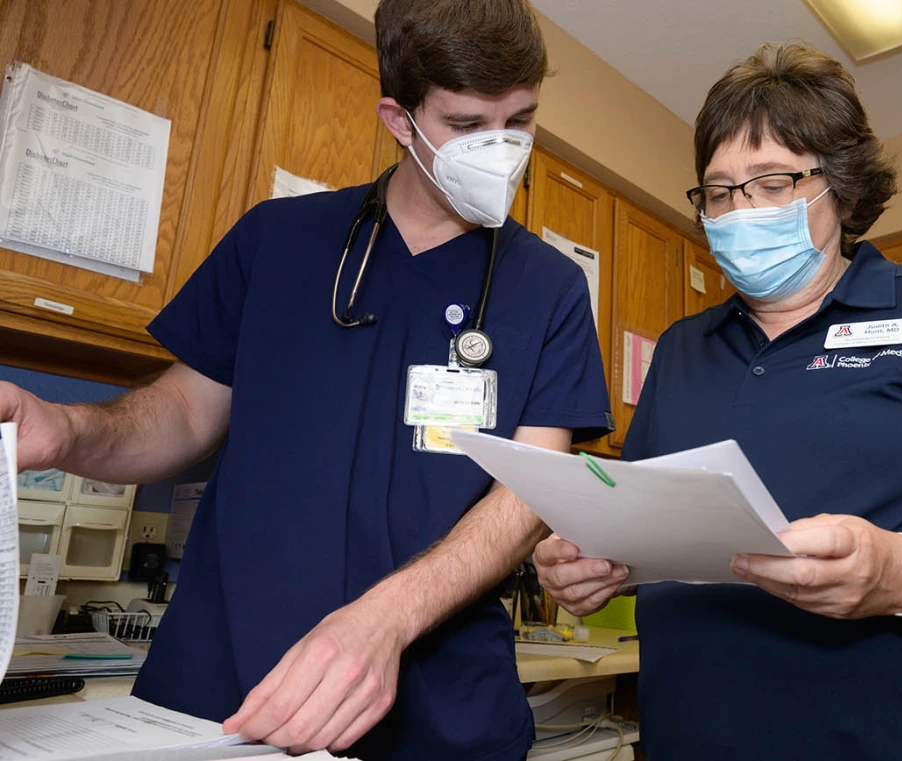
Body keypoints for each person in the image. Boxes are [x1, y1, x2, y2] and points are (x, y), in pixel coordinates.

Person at [0, 1, 612, 759]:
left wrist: (385, 617)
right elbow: (183, 414)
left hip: (439, 709)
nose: (501, 149)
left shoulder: (548, 288)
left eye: (519, 121)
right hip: (226, 689)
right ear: (399, 118)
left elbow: (530, 493)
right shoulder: (276, 242)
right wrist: (67, 430)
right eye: (465, 125)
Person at [534, 43, 902, 761]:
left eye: (772, 182)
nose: (741, 211)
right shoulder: (681, 349)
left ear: (841, 187)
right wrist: (583, 565)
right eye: (719, 191)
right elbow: (636, 527)